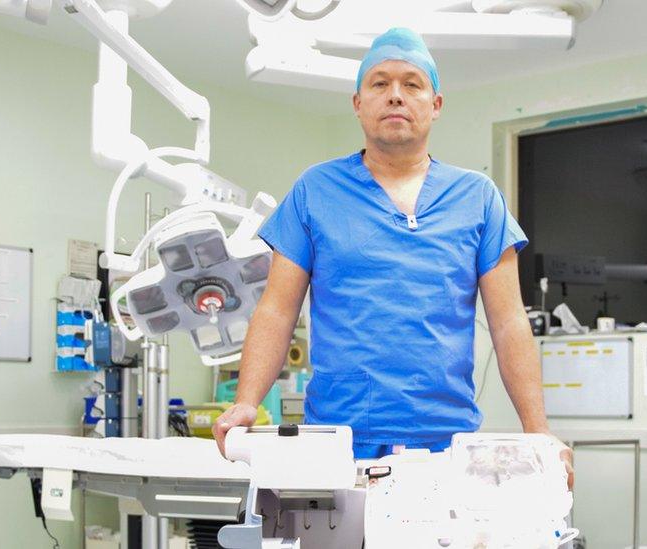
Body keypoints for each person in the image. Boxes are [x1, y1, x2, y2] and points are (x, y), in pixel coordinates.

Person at [212, 27, 573, 488]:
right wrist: (247, 399)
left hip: (444, 441)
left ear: (435, 104)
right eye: (379, 84)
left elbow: (508, 322)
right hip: (336, 441)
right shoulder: (315, 190)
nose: (395, 96)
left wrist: (537, 430)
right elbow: (277, 309)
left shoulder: (477, 197)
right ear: (358, 103)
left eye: (412, 84)